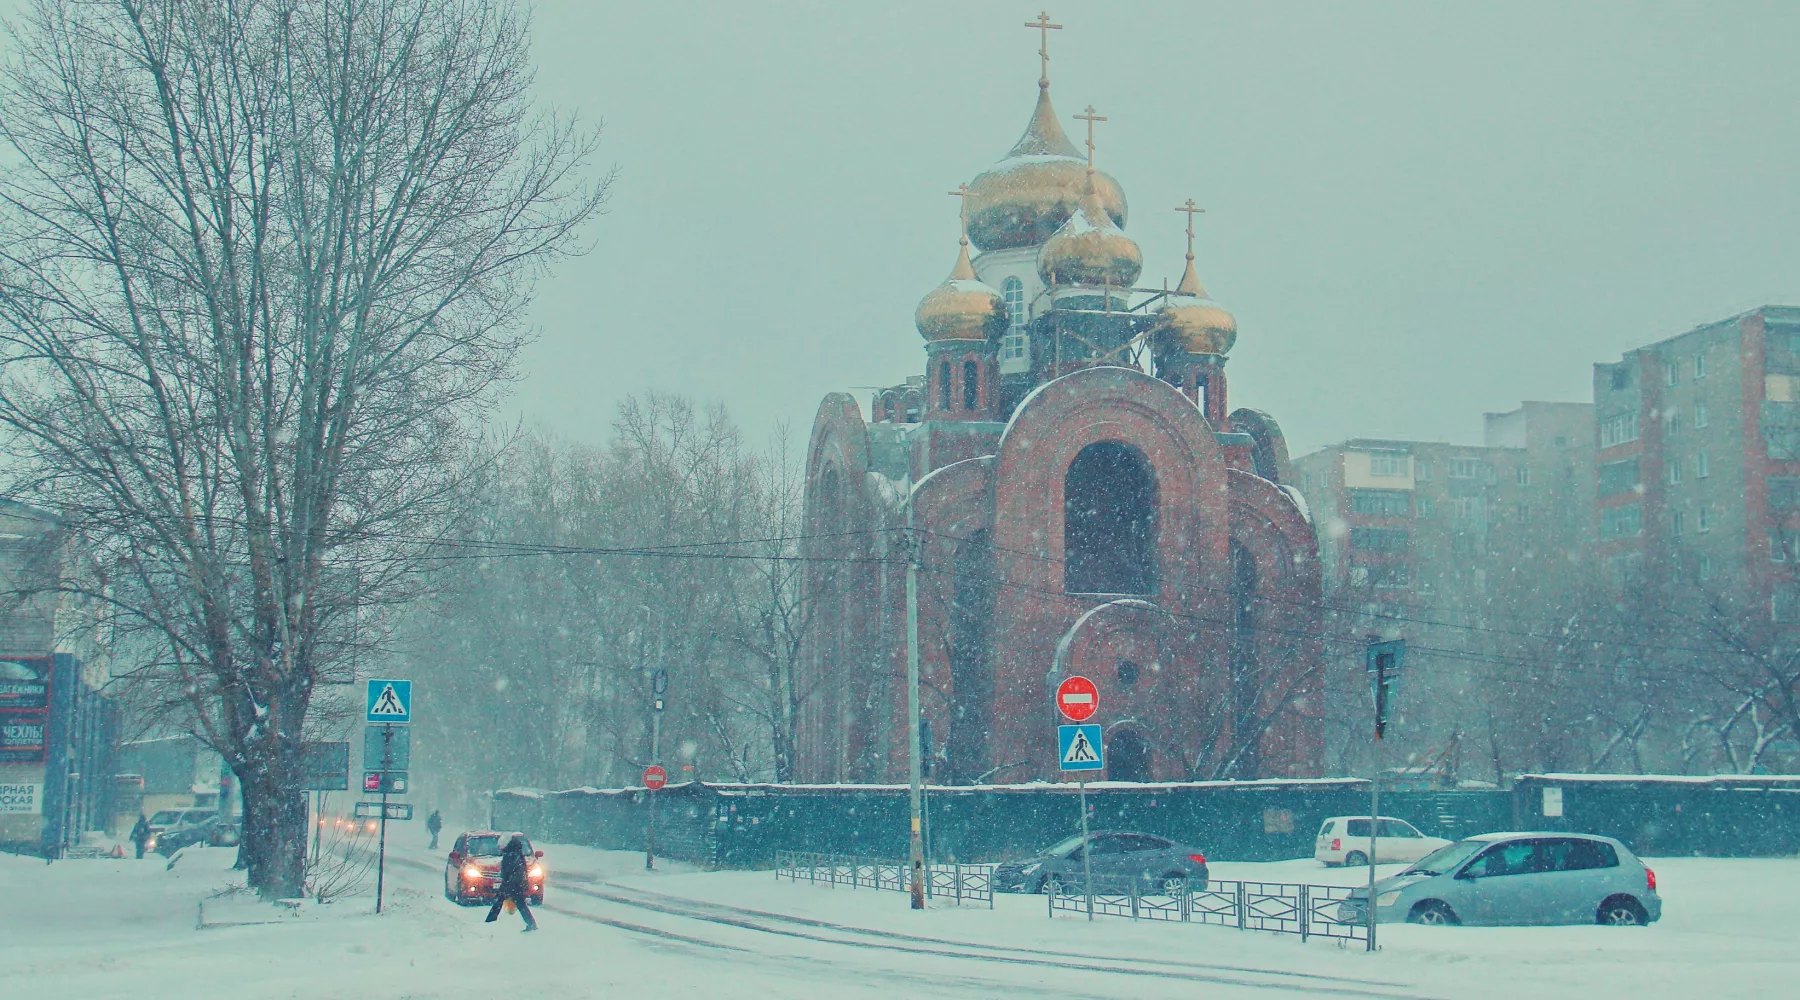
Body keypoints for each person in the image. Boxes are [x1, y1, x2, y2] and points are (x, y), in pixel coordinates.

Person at [483, 835, 537, 932]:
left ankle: (490, 921)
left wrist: (509, 881)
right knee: (518, 904)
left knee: (500, 902)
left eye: (500, 845)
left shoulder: (512, 854)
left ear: (505, 844)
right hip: (513, 883)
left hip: (512, 883)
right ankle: (531, 923)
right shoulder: (515, 852)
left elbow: (514, 870)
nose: (499, 847)